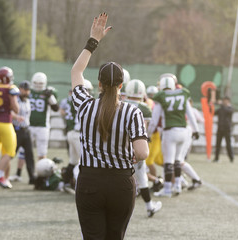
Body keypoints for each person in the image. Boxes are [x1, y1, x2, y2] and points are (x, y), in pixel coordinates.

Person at [71, 13, 149, 239]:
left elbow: (76, 72)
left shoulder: (85, 106)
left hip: (90, 182)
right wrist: (131, 156)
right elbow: (142, 152)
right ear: (122, 85)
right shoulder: (132, 111)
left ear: (99, 84)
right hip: (120, 183)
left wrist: (93, 41)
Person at [148, 73, 199, 197]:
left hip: (170, 131)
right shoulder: (183, 93)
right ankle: (177, 186)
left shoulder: (161, 96)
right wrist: (196, 130)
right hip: (183, 130)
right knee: (177, 161)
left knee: (168, 162)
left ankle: (167, 190)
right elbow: (190, 114)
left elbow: (154, 120)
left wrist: (148, 133)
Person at [125, 79, 162, 217]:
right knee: (141, 178)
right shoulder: (145, 108)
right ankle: (149, 206)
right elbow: (144, 130)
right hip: (135, 147)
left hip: (119, 146)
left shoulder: (121, 104)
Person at [59, 80, 93, 193]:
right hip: (78, 134)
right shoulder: (82, 102)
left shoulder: (69, 100)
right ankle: (81, 186)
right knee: (84, 161)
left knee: (73, 160)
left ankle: (65, 183)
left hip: (71, 133)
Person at [9, 81, 35, 184]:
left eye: (28, 90)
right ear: (20, 89)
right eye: (25, 90)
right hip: (16, 130)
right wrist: (16, 117)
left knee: (29, 155)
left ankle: (32, 177)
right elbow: (9, 111)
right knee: (10, 154)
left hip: (26, 131)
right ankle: (1, 174)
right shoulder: (15, 100)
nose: (27, 92)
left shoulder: (27, 101)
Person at [213, 96, 234, 163]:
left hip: (227, 129)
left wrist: (221, 104)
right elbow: (213, 113)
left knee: (228, 144)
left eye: (225, 100)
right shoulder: (221, 109)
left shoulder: (230, 108)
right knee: (218, 144)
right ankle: (216, 158)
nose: (224, 102)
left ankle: (231, 158)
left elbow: (228, 111)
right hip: (220, 128)